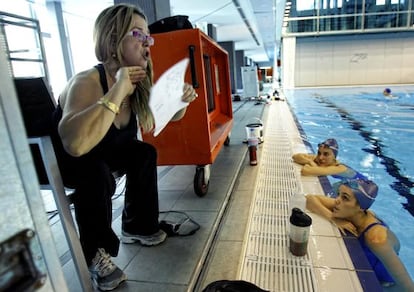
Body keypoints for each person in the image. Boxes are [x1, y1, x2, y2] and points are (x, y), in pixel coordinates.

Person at [50, 4, 197, 291]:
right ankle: (94, 252)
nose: (147, 43)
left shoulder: (137, 84)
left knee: (144, 153)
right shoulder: (87, 81)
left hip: (103, 154)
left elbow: (161, 117)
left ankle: (137, 226)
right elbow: (76, 145)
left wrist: (182, 101)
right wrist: (117, 89)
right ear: (112, 37)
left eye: (148, 37)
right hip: (70, 162)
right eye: (138, 35)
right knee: (95, 171)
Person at [306, 179, 414, 291]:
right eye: (339, 194)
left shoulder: (376, 239)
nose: (337, 200)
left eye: (345, 198)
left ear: (361, 207)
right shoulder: (352, 211)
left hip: (386, 286)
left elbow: (408, 288)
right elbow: (309, 199)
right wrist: (333, 218)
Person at [292, 138, 367, 179]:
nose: (321, 157)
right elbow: (295, 157)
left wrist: (311, 163)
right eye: (319, 153)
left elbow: (305, 171)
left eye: (326, 154)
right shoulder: (320, 159)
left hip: (362, 184)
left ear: (334, 157)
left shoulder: (338, 168)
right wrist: (310, 161)